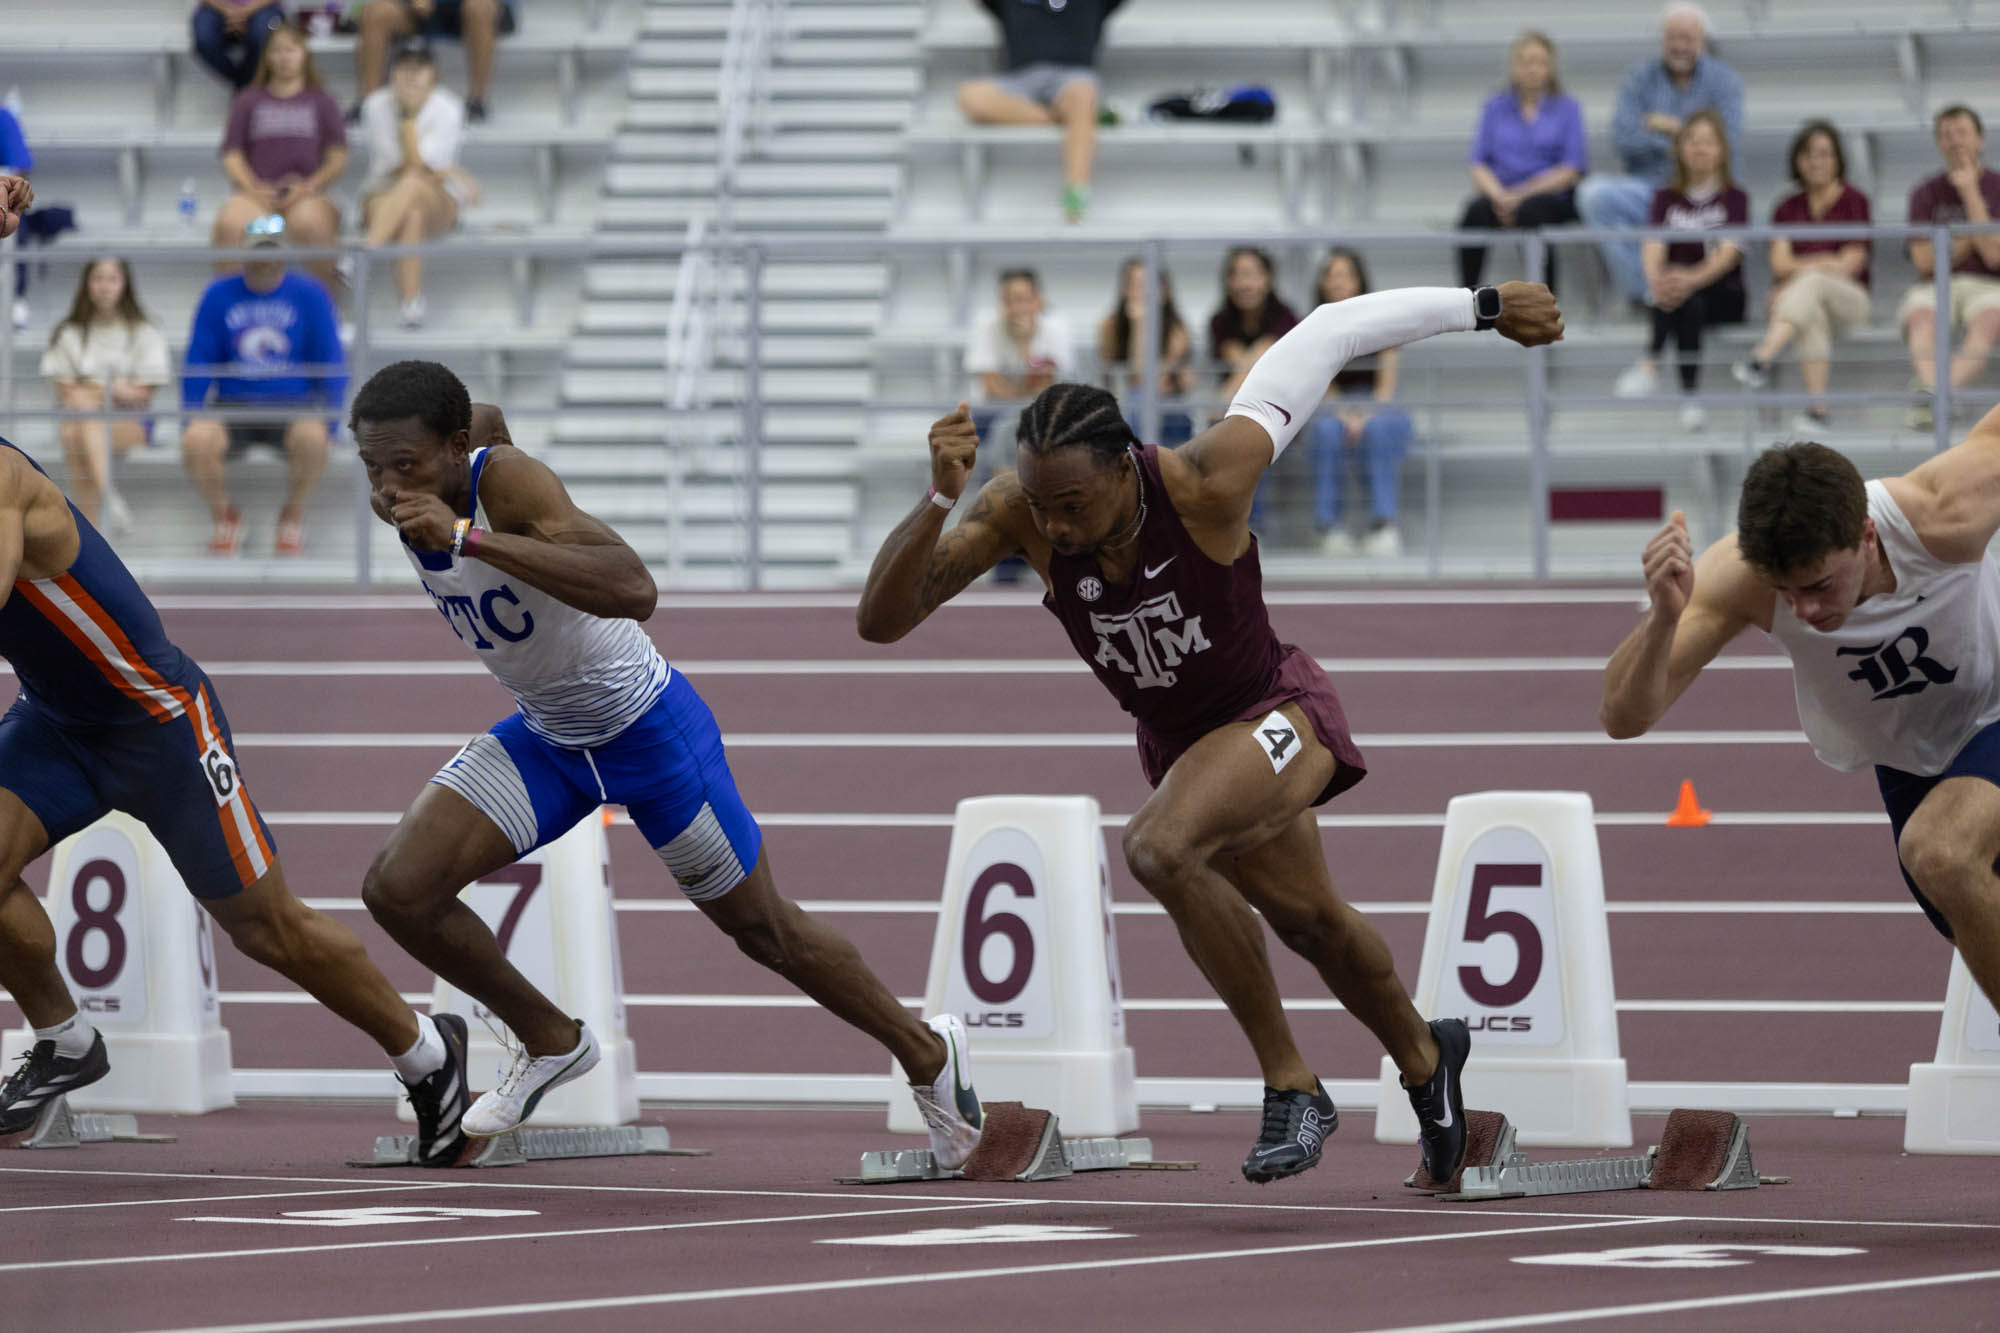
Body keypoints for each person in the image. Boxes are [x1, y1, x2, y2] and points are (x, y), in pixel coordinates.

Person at [857, 279, 1567, 1186]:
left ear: (1123, 468)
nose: (1058, 526)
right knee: (1314, 922)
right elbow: (881, 622)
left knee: (1158, 847)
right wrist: (935, 499)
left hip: (1278, 714)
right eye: (1043, 507)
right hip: (1188, 749)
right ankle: (1429, 1062)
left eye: (1073, 503)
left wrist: (1484, 306)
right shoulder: (1017, 515)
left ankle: (1292, 1083)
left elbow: (1327, 331)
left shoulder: (1205, 479)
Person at [345, 359, 984, 1164]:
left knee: (765, 931)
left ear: (455, 448)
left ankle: (927, 1053)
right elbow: (488, 410)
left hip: (646, 730)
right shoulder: (432, 461)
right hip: (549, 736)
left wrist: (468, 535)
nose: (389, 487)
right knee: (398, 889)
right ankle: (549, 1036)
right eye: (372, 468)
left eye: (406, 466)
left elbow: (634, 586)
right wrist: (427, 479)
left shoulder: (509, 486)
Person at [0, 188, 465, 1158]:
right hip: (59, 720)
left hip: (159, 722)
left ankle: (426, 1054)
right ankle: (64, 1038)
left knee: (266, 928)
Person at [1602, 428, 2000, 1027]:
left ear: (1867, 536)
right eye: (1788, 595)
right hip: (1915, 763)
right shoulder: (1741, 580)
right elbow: (1623, 717)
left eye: (1819, 586)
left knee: (1942, 853)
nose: (1807, 612)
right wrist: (1663, 620)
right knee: (1964, 901)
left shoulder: (1947, 509)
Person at [181, 217, 343, 557]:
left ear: (284, 254)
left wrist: (331, 417)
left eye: (271, 253)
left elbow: (330, 356)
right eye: (257, 254)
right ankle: (225, 516)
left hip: (293, 404)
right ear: (244, 254)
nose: (265, 262)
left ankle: (292, 516)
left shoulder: (310, 294)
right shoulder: (218, 293)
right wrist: (190, 415)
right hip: (233, 403)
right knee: (197, 440)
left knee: (315, 438)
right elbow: (198, 357)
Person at [1576, 3, 1744, 308]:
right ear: (1662, 39)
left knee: (1725, 214)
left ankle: (1682, 291)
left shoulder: (1725, 81)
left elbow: (1726, 143)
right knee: (1594, 195)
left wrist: (1665, 126)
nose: (1679, 45)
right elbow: (1623, 138)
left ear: (1702, 40)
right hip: (1649, 189)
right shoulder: (1638, 79)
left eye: (1687, 38)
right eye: (1673, 37)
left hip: (1701, 193)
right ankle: (1650, 293)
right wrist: (1686, 140)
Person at [1731, 121, 1873, 436]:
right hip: (1808, 304)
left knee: (1813, 284)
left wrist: (1801, 272)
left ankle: (1763, 356)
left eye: (1824, 154)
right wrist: (1824, 262)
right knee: (1810, 312)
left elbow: (1850, 265)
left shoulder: (1855, 200)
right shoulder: (1786, 207)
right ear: (1797, 161)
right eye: (1808, 155)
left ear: (1837, 160)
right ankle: (1817, 411)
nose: (1816, 162)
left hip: (1851, 300)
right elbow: (1779, 265)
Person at [1611, 110, 1747, 431]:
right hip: (1680, 295)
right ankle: (1689, 399)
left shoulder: (1735, 198)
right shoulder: (1665, 197)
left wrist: (1687, 279)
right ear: (1680, 149)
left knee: (1688, 295)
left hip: (1725, 295)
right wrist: (1657, 281)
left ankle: (1650, 363)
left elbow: (1726, 257)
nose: (1700, 149)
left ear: (1721, 151)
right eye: (1693, 141)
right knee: (1684, 299)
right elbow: (1652, 247)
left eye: (1708, 142)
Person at [957, 0, 1126, 223]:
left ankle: (1076, 193)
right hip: (1021, 82)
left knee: (1082, 94)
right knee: (971, 96)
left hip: (1073, 79)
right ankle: (1078, 120)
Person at [214, 23, 346, 294]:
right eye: (277, 50)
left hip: (306, 193)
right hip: (257, 193)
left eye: (291, 49)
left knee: (314, 224)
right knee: (230, 224)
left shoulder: (322, 101)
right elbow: (232, 154)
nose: (284, 57)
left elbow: (337, 155)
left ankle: (326, 310)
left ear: (304, 54)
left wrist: (309, 186)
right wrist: (254, 188)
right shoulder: (248, 100)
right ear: (267, 57)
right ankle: (230, 310)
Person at [40, 259, 171, 531]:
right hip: (84, 422)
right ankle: (108, 501)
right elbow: (67, 393)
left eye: (113, 279)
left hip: (133, 424)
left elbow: (141, 395)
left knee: (77, 426)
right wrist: (114, 389)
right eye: (98, 278)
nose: (105, 286)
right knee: (75, 429)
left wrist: (91, 387)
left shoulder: (145, 330)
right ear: (87, 284)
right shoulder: (68, 332)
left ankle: (89, 529)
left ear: (125, 284)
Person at [359, 39, 478, 328]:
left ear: (433, 73)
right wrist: (448, 172)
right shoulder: (375, 104)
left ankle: (364, 253)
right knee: (411, 208)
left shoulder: (449, 107)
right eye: (404, 66)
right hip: (384, 193)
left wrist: (407, 118)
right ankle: (411, 303)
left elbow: (415, 165)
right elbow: (402, 166)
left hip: (437, 199)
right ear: (392, 72)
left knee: (412, 185)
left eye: (420, 67)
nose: (412, 75)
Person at [1457, 31, 1586, 292]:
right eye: (1525, 61)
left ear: (1550, 67)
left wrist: (1520, 195)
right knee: (1474, 214)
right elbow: (1478, 162)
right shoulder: (1494, 106)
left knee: (1531, 213)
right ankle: (1469, 299)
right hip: (1501, 193)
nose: (1532, 69)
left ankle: (1545, 299)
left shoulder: (1568, 108)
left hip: (1550, 195)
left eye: (1539, 62)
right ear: (1514, 66)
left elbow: (1571, 168)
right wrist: (1500, 196)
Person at [1308, 250, 1414, 558]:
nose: (1338, 281)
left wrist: (1364, 417)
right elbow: (1321, 384)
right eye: (1332, 275)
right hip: (1332, 404)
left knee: (1378, 430)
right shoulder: (1312, 325)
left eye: (1346, 274)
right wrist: (1343, 415)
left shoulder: (1383, 321)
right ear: (1322, 282)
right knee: (1327, 431)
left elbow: (1386, 386)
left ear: (1359, 281)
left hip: (1379, 403)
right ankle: (1328, 528)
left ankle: (1384, 525)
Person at [1899, 105, 2000, 431]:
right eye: (1947, 135)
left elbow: (1995, 256)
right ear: (1939, 143)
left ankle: (1937, 396)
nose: (1955, 141)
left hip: (1988, 285)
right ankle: (1935, 393)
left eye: (1962, 133)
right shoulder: (1924, 192)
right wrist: (1974, 235)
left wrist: (1971, 193)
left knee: (1989, 320)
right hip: (1935, 283)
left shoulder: (1997, 187)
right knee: (1920, 316)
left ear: (1980, 139)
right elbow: (1925, 262)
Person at [353, 0, 516, 124]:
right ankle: (370, 104)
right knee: (375, 12)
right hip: (419, 11)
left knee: (480, 6)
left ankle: (477, 101)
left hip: (472, 9)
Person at [1098, 255, 1195, 447]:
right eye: (1133, 285)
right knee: (1133, 402)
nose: (1140, 293)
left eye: (1147, 285)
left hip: (1167, 412)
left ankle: (1145, 464)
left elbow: (1144, 381)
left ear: (1164, 291)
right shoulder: (1110, 325)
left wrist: (1140, 323)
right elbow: (1112, 382)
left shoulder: (1176, 329)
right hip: (1123, 409)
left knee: (1140, 399)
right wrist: (1137, 324)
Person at [966, 268, 1074, 418]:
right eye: (1007, 301)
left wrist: (1026, 346)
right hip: (994, 414)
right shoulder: (987, 325)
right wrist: (1023, 397)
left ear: (1038, 301)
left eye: (1021, 300)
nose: (1015, 308)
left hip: (1041, 414)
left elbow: (1049, 388)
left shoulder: (1057, 327)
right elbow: (990, 387)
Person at [190, 1, 288, 91]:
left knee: (261, 38)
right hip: (215, 7)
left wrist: (243, 12)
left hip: (264, 6)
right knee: (204, 39)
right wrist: (228, 11)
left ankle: (243, 88)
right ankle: (244, 84)